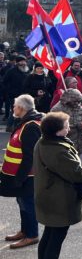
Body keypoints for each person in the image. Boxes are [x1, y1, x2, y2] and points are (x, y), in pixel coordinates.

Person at [33, 111, 82, 259]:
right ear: (57, 130)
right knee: (55, 240)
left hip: (48, 196)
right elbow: (77, 173)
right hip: (59, 201)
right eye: (66, 126)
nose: (69, 129)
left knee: (48, 236)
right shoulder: (58, 150)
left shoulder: (43, 142)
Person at [0, 94, 43, 249]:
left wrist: (20, 178)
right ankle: (25, 231)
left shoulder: (30, 126)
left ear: (21, 108)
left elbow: (30, 156)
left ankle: (32, 235)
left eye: (14, 106)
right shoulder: (26, 122)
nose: (13, 108)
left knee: (28, 205)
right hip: (22, 174)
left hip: (27, 176)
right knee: (22, 203)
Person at [50, 88, 82, 161]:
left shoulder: (80, 108)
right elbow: (55, 129)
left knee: (81, 167)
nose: (78, 103)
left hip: (80, 147)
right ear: (69, 100)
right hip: (64, 148)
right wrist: (79, 125)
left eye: (79, 101)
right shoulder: (57, 109)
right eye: (76, 101)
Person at [2, 56, 29, 130]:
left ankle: (15, 126)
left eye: (24, 61)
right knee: (15, 110)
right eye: (21, 61)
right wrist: (9, 91)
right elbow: (4, 82)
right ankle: (11, 126)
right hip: (13, 94)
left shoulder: (27, 70)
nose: (23, 63)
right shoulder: (11, 71)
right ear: (17, 62)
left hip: (24, 94)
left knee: (21, 110)